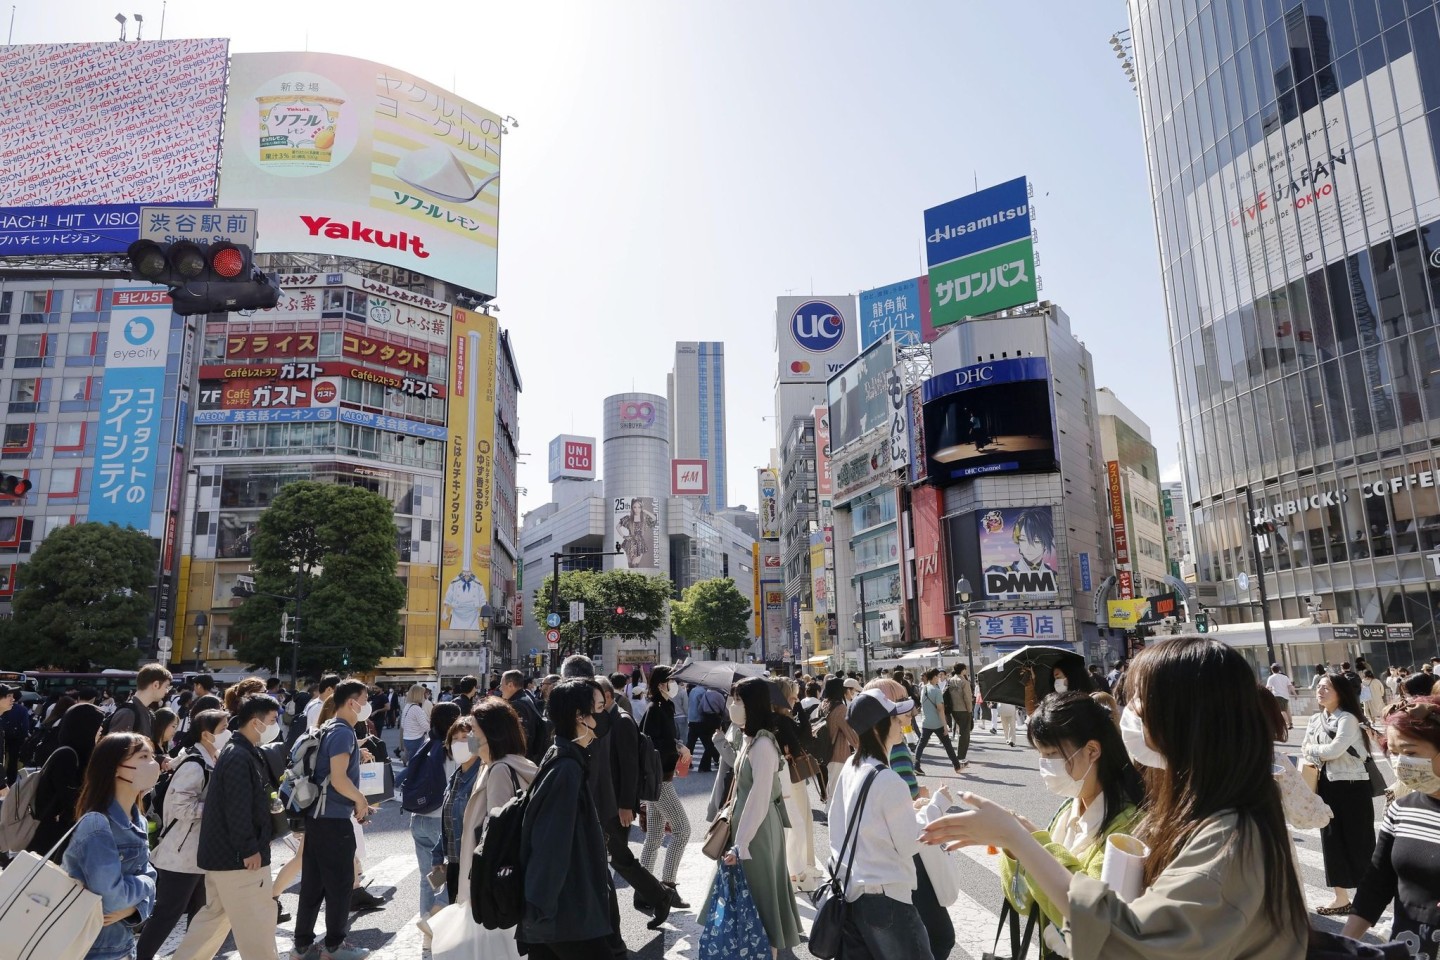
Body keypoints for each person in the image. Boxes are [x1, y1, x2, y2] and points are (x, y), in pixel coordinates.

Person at [920, 636, 1307, 959]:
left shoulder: (1228, 836)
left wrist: (1020, 840)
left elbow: (1126, 938)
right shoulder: (1204, 817)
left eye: (1140, 699)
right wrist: (1018, 841)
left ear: (1185, 719)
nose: (1128, 712)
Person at [997, 692, 1144, 956]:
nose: (1045, 765)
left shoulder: (1130, 825)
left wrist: (1031, 845)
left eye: (1052, 754)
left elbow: (1096, 919)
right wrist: (1013, 849)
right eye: (1040, 755)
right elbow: (1023, 902)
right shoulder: (1067, 810)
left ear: (1092, 750)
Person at [519, 678, 628, 959]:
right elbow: (550, 842)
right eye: (599, 708)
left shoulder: (565, 756)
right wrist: (540, 906)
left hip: (564, 909)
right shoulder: (566, 768)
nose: (604, 715)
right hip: (567, 910)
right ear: (580, 716)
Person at [169, 696, 283, 960]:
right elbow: (237, 808)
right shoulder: (240, 756)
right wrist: (249, 848)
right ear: (256, 722)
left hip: (223, 856)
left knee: (212, 921)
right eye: (272, 721)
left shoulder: (239, 752)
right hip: (239, 859)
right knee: (257, 924)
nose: (275, 726)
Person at [824, 688, 935, 958]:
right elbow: (909, 843)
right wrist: (935, 808)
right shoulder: (888, 779)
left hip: (854, 892)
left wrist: (908, 809)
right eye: (895, 719)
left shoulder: (852, 765)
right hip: (887, 898)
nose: (902, 724)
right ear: (878, 728)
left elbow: (842, 821)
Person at [559, 656, 669, 927]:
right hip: (600, 801)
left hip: (615, 804)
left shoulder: (620, 721)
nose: (594, 705)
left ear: (607, 696)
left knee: (618, 859)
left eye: (597, 700)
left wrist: (625, 805)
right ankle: (651, 897)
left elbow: (629, 767)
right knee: (614, 859)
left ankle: (656, 897)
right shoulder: (600, 720)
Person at [1343, 697, 1440, 945]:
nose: (1399, 763)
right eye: (1393, 753)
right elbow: (1377, 883)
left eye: (1409, 752)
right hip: (1409, 947)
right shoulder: (1401, 809)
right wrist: (1344, 944)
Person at [717, 676, 802, 956]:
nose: (733, 704)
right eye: (733, 698)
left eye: (739, 699)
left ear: (753, 704)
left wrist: (740, 845)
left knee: (761, 904)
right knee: (753, 902)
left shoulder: (763, 744)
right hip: (751, 831)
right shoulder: (750, 738)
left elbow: (759, 798)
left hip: (758, 833)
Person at [137, 709, 229, 960]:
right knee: (169, 912)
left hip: (202, 852)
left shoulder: (214, 758)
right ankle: (142, 956)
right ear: (205, 734)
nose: (227, 733)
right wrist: (218, 809)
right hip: (182, 853)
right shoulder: (195, 764)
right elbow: (180, 807)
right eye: (223, 729)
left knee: (201, 914)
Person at [291, 679, 371, 960]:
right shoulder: (342, 732)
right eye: (364, 699)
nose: (366, 705)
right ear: (352, 702)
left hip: (317, 816)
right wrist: (360, 800)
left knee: (313, 884)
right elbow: (338, 778)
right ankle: (334, 946)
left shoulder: (327, 727)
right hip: (332, 818)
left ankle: (301, 946)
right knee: (339, 884)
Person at [62, 733, 158, 960]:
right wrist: (148, 884)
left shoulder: (138, 820)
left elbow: (143, 886)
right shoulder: (97, 824)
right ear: (115, 767)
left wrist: (135, 907)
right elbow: (112, 900)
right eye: (143, 757)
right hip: (95, 950)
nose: (152, 764)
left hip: (122, 945)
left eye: (151, 756)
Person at [1302, 671, 1377, 916]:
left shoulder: (1348, 719)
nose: (1320, 691)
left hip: (1353, 785)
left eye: (1327, 688)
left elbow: (1334, 750)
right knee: (1331, 840)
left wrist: (1314, 750)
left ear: (1340, 693)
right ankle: (1340, 898)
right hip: (1327, 785)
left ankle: (1368, 897)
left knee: (1360, 840)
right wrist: (1315, 750)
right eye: (1320, 687)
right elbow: (1305, 749)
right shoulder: (1315, 720)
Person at [403, 700, 459, 941]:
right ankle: (436, 916)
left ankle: (427, 918)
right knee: (453, 873)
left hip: (419, 817)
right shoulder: (454, 749)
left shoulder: (426, 745)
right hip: (441, 820)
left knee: (428, 876)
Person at [638, 665, 691, 910]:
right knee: (682, 830)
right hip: (659, 780)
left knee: (655, 835)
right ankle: (667, 887)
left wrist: (677, 744)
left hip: (661, 777)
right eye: (672, 681)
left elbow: (663, 740)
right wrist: (677, 747)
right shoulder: (655, 709)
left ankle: (645, 891)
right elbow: (650, 744)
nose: (676, 686)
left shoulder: (665, 707)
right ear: (660, 684)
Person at [28, 701, 107, 858]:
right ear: (85, 728)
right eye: (98, 727)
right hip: (53, 836)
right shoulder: (67, 756)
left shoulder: (79, 754)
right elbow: (71, 799)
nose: (101, 731)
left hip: (61, 834)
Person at [105, 663, 173, 741]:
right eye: (166, 686)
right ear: (156, 685)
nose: (167, 691)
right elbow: (115, 750)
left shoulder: (147, 712)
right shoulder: (128, 713)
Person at [915, 667, 963, 774]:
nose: (938, 678)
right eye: (937, 676)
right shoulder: (936, 691)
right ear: (934, 677)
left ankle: (916, 765)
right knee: (947, 744)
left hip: (926, 722)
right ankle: (957, 765)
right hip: (937, 723)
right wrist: (945, 725)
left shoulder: (924, 689)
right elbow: (940, 710)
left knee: (921, 744)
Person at [500, 669, 549, 764]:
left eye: (502, 685)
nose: (500, 689)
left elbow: (522, 736)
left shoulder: (517, 705)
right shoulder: (526, 698)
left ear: (510, 685)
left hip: (521, 759)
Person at [820, 676, 858, 789]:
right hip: (838, 754)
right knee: (836, 793)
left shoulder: (822, 705)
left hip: (824, 752)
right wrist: (863, 746)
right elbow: (851, 734)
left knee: (833, 789)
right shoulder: (840, 708)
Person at [687, 683, 726, 772]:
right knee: (709, 743)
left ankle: (685, 764)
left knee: (691, 743)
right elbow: (701, 708)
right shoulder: (703, 692)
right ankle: (714, 761)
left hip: (691, 718)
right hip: (701, 720)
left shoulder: (693, 690)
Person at [944, 665, 974, 761]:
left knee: (960, 731)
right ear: (963, 670)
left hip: (953, 709)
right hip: (963, 709)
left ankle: (959, 755)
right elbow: (967, 698)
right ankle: (961, 756)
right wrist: (970, 709)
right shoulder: (964, 682)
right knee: (965, 733)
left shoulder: (950, 680)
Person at [399, 683, 430, 761]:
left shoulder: (407, 706)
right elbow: (425, 726)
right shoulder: (416, 708)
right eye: (423, 694)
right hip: (416, 739)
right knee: (416, 765)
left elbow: (402, 724)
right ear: (419, 695)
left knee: (413, 763)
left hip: (407, 739)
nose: (425, 696)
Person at [1266, 663, 1297, 732]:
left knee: (1281, 711)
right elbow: (1290, 686)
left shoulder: (1271, 678)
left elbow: (1268, 687)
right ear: (1279, 669)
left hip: (1277, 695)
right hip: (1286, 696)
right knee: (1287, 710)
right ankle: (1291, 723)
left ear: (1272, 670)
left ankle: (1288, 724)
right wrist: (1295, 694)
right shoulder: (1285, 677)